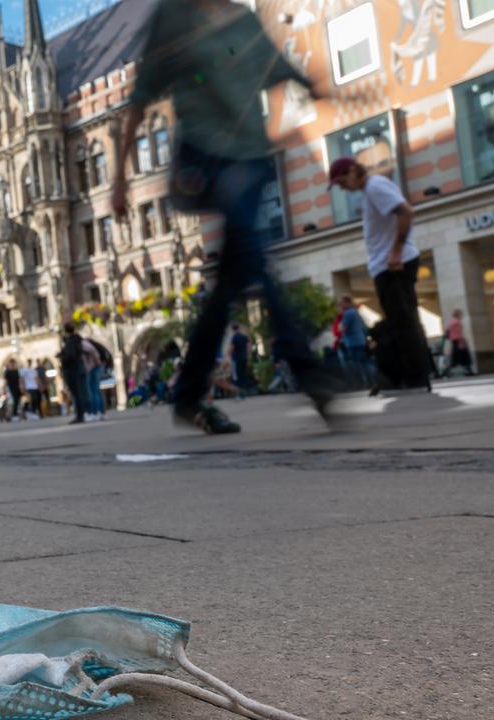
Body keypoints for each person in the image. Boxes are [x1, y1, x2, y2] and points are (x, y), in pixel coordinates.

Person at [113, 0, 333, 434]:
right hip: (207, 160)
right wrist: (120, 178)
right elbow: (140, 99)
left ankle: (189, 395)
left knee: (230, 284)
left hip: (251, 158)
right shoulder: (174, 17)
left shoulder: (244, 16)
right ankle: (309, 372)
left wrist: (317, 85)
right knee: (252, 255)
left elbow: (275, 66)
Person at [330, 157, 429, 390]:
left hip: (393, 265)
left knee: (404, 321)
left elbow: (406, 212)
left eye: (342, 181)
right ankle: (402, 375)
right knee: (399, 321)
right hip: (387, 265)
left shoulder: (375, 187)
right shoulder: (370, 190)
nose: (342, 188)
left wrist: (395, 251)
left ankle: (416, 376)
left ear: (352, 170)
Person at [338, 296, 375, 387]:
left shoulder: (348, 313)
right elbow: (364, 328)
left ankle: (364, 383)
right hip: (361, 341)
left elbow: (341, 329)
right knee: (365, 362)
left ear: (347, 303)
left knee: (357, 363)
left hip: (353, 342)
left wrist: (341, 320)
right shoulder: (355, 312)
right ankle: (373, 381)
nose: (340, 305)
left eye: (342, 303)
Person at [57, 323, 88, 424]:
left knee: (77, 394)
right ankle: (81, 415)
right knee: (79, 393)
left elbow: (71, 355)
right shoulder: (77, 340)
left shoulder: (70, 341)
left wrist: (62, 356)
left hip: (73, 370)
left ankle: (80, 416)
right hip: (79, 368)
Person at [444, 309, 476, 377]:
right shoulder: (457, 322)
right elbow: (458, 332)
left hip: (455, 341)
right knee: (464, 357)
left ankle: (446, 372)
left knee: (456, 358)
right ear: (458, 315)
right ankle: (468, 371)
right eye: (460, 314)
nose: (461, 316)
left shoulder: (451, 322)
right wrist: (462, 341)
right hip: (458, 341)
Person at [81, 337, 106, 421]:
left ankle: (94, 413)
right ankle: (101, 413)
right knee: (97, 391)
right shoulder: (85, 343)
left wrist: (96, 362)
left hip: (93, 368)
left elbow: (94, 352)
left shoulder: (83, 344)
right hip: (95, 367)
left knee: (93, 392)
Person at [228, 325, 251, 394]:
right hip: (244, 357)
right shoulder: (244, 336)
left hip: (236, 358)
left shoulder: (234, 337)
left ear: (233, 330)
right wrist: (248, 356)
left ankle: (238, 391)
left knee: (236, 375)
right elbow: (248, 346)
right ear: (239, 328)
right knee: (243, 374)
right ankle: (245, 389)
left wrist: (227, 355)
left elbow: (232, 347)